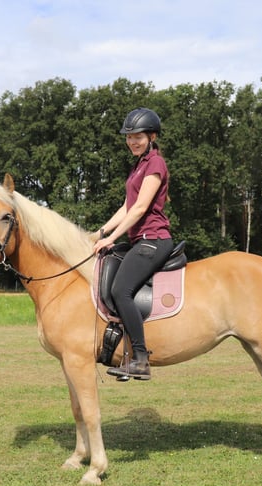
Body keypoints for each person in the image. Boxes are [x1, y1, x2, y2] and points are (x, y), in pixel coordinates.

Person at [93, 107, 173, 380]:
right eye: (128, 137)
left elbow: (139, 209)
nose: (132, 141)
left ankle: (139, 358)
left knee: (120, 289)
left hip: (154, 239)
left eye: (137, 136)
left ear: (151, 136)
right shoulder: (138, 166)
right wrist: (101, 232)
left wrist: (112, 239)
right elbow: (127, 207)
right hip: (139, 239)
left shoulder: (155, 164)